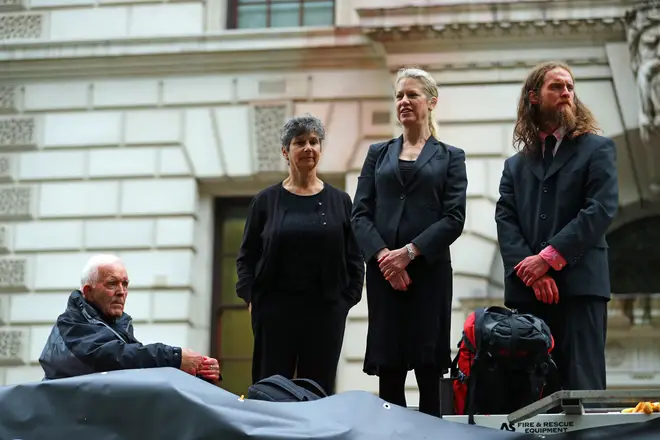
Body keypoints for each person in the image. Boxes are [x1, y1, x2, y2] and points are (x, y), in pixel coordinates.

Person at [495, 61, 618, 393]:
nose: (566, 92)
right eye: (556, 87)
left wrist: (547, 259)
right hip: (529, 295)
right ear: (534, 97)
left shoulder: (598, 149)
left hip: (581, 289)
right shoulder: (515, 166)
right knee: (531, 392)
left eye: (570, 87)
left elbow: (600, 209)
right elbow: (505, 219)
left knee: (582, 389)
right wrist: (530, 271)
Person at [351, 67, 467, 416]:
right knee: (390, 368)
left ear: (431, 102)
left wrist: (409, 254)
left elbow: (454, 218)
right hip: (385, 276)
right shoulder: (378, 154)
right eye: (399, 95)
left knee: (428, 367)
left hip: (428, 275)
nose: (404, 101)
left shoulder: (450, 156)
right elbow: (360, 214)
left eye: (412, 95)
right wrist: (386, 258)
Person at [235, 114, 365, 396]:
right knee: (270, 392)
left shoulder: (340, 201)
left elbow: (355, 257)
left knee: (318, 393)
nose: (308, 148)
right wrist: (251, 297)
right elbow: (246, 256)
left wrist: (346, 301)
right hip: (275, 313)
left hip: (324, 314)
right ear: (285, 151)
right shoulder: (265, 201)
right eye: (300, 142)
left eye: (314, 142)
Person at [39, 254, 221, 382]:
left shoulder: (114, 326)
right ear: (88, 291)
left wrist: (197, 371)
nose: (121, 292)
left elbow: (137, 369)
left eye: (125, 284)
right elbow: (113, 358)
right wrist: (175, 357)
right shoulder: (71, 323)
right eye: (112, 283)